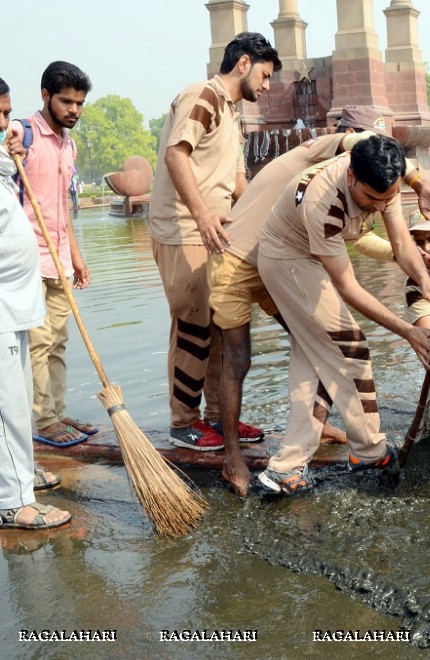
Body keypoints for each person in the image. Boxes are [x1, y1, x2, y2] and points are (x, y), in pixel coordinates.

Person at [210, 104, 430, 494]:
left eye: (385, 199)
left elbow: (402, 243)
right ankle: (368, 451)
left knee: (315, 358)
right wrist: (407, 331)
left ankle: (286, 467)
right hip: (286, 258)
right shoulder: (323, 199)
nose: (378, 207)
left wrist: (427, 283)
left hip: (305, 258)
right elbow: (348, 287)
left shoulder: (380, 168)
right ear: (351, 175)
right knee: (350, 346)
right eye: (371, 199)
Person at [149, 32, 281, 451]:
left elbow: (239, 182)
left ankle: (219, 418)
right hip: (184, 230)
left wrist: (274, 214)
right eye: (264, 75)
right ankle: (183, 423)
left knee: (222, 326)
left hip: (215, 233)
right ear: (243, 63)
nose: (266, 86)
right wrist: (203, 214)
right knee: (192, 327)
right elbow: (176, 155)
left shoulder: (232, 113)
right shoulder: (202, 96)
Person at [7, 62, 94, 448]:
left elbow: (61, 205)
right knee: (39, 343)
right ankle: (44, 420)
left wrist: (76, 256)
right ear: (45, 95)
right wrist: (11, 152)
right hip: (29, 260)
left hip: (58, 257)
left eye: (79, 103)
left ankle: (56, 411)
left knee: (58, 340)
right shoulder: (21, 133)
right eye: (66, 101)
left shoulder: (67, 144)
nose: (74, 109)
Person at [0, 76, 71, 530]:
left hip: (16, 303)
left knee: (19, 398)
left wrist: (12, 158)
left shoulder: (5, 161)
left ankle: (20, 477)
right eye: (0, 115)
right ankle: (13, 501)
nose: (7, 125)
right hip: (2, 309)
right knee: (8, 407)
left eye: (7, 114)